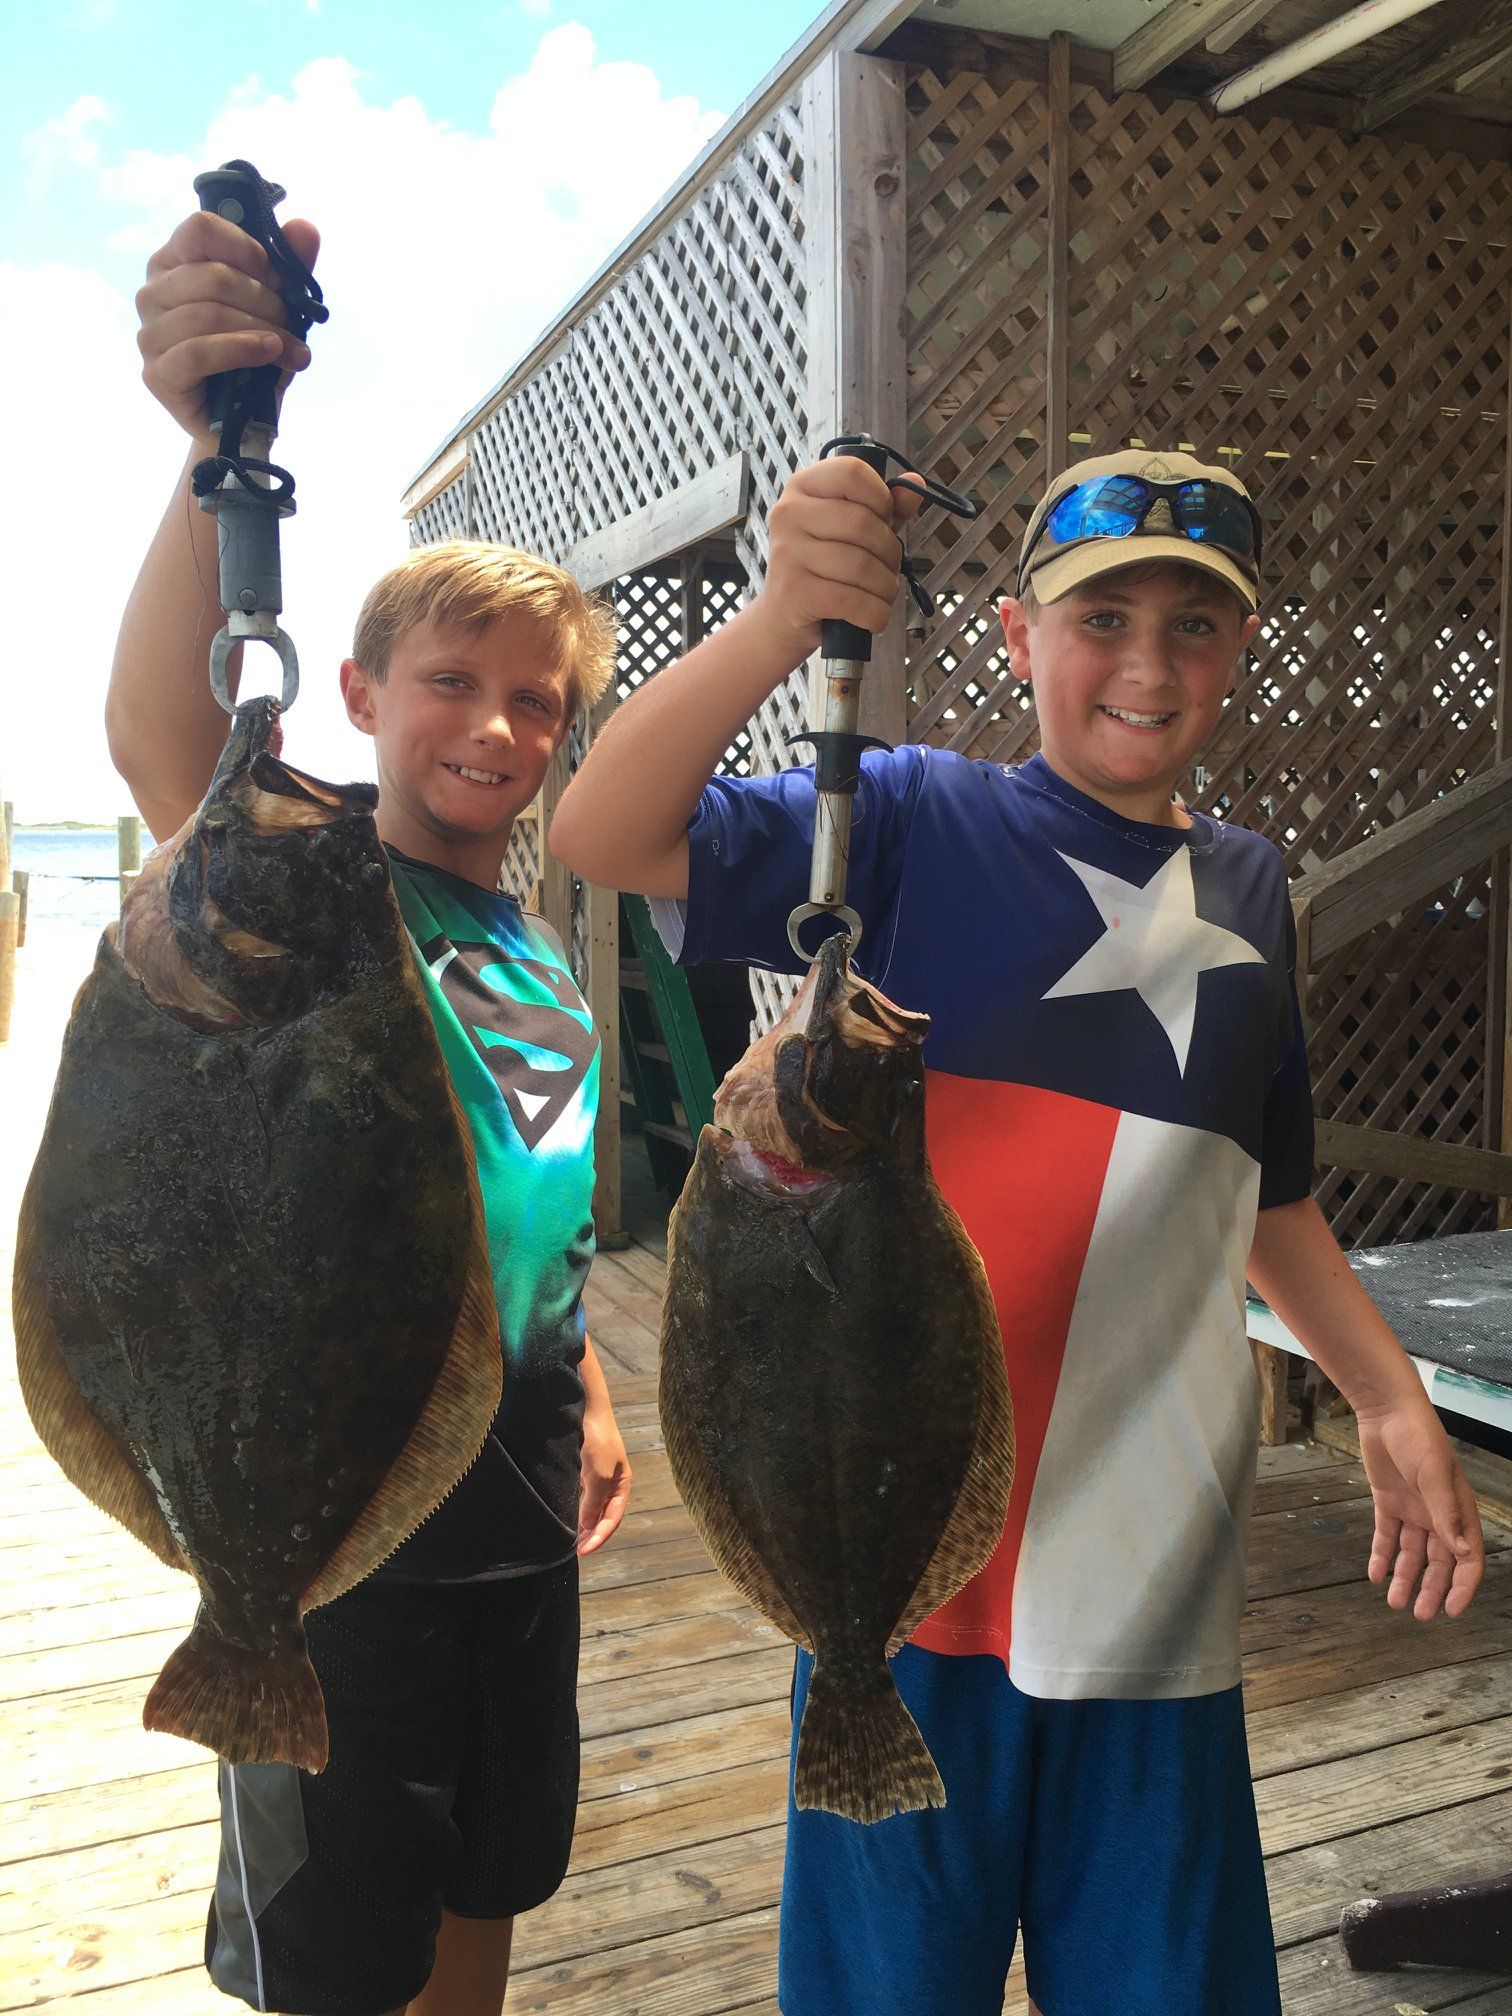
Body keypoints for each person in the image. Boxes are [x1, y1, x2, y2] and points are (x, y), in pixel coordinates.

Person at [547, 446, 1487, 2016]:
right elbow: (605, 831)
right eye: (1100, 616)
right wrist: (786, 613)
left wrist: (1389, 1399)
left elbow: (1269, 1191)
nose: (1145, 663)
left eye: (1196, 627)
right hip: (906, 1576)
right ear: (1012, 634)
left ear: (1241, 652)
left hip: (1151, 1579)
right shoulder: (909, 815)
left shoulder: (1253, 886)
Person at [108, 207, 633, 2016]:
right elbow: (166, 746)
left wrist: (598, 1388)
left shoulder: (536, 934)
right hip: (336, 1528)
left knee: (487, 1887)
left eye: (535, 703)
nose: (493, 728)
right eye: (450, 685)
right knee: (342, 1959)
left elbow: (528, 1185)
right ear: (357, 698)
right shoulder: (312, 886)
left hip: (519, 1515)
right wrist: (210, 458)